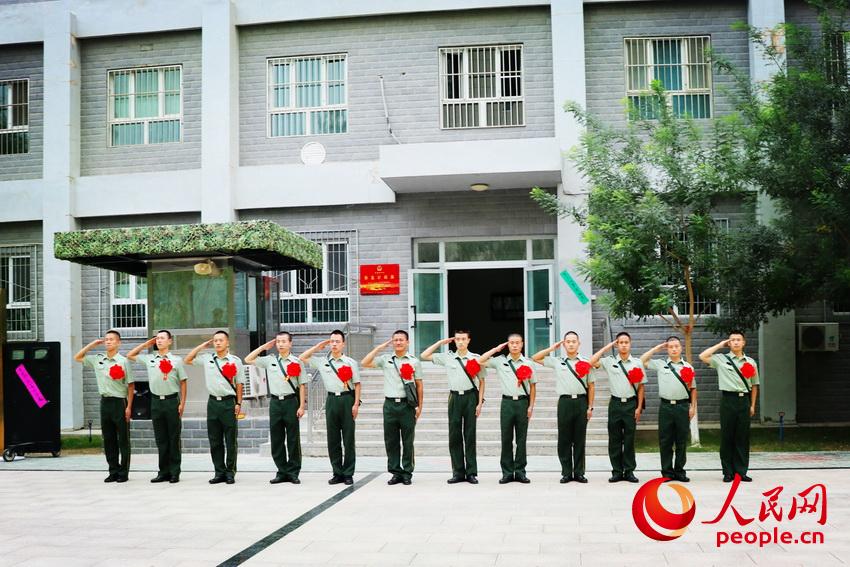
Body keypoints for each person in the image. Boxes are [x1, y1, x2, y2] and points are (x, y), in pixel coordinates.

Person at [420, 330, 486, 485]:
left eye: (463, 339)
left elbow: (482, 381)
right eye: (457, 339)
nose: (460, 342)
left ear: (469, 340)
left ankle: (471, 473)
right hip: (454, 398)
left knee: (470, 436)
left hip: (470, 398)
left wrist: (479, 403)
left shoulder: (476, 358)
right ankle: (458, 472)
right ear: (454, 341)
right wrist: (440, 343)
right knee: (454, 435)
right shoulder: (448, 357)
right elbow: (424, 355)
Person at [362, 330, 424, 486]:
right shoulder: (386, 360)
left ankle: (407, 472)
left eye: (401, 340)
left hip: (407, 405)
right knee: (391, 441)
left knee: (408, 441)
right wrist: (379, 348)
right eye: (395, 340)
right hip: (389, 405)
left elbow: (419, 385)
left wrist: (419, 406)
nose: (398, 342)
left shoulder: (414, 361)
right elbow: (365, 362)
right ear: (392, 342)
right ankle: (396, 472)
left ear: (407, 342)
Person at [532, 331, 595, 484]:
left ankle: (579, 473)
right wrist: (552, 348)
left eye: (574, 341)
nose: (571, 344)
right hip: (564, 403)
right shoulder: (557, 361)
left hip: (581, 402)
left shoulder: (586, 362)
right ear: (564, 344)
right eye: (568, 341)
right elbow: (535, 358)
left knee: (579, 439)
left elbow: (591, 386)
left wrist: (590, 407)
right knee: (564, 439)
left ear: (579, 344)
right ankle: (566, 472)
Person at [300, 330, 361, 486]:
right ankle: (337, 472)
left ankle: (348, 473)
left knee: (348, 439)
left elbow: (357, 384)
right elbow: (302, 358)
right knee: (333, 439)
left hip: (347, 400)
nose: (334, 344)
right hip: (331, 400)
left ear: (343, 344)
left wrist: (355, 404)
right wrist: (318, 347)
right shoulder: (323, 361)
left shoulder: (350, 362)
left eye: (337, 341)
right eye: (331, 341)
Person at [127, 330, 188, 483]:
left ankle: (174, 472)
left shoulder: (176, 360)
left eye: (162, 338)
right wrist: (146, 344)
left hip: (171, 401)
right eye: (157, 338)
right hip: (155, 402)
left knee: (173, 438)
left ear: (170, 341)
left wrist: (182, 403)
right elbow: (130, 355)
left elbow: (183, 382)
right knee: (161, 438)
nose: (159, 341)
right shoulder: (150, 359)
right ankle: (163, 472)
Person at [246, 332, 307, 484]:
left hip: (291, 402)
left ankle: (293, 472)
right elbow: (248, 359)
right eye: (278, 341)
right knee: (276, 439)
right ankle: (282, 471)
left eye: (284, 341)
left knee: (293, 439)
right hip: (275, 403)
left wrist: (301, 406)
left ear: (290, 343)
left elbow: (302, 385)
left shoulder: (297, 362)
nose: (280, 344)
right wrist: (263, 347)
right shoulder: (270, 360)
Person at [74, 330, 135, 483]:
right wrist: (92, 345)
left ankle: (123, 473)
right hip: (105, 402)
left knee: (123, 439)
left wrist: (129, 407)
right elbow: (77, 357)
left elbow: (130, 385)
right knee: (108, 439)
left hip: (120, 402)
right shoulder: (98, 359)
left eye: (111, 339)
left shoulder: (123, 361)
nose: (108, 342)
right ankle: (113, 471)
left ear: (118, 343)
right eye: (106, 339)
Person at [700, 330, 760, 483]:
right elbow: (703, 356)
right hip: (728, 400)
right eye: (732, 340)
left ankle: (741, 472)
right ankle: (728, 472)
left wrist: (752, 405)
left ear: (743, 342)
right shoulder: (721, 359)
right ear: (729, 343)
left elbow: (754, 385)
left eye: (738, 339)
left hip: (744, 401)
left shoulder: (751, 362)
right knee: (727, 437)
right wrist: (720, 345)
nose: (736, 342)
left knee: (742, 437)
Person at [185, 330, 244, 485]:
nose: (217, 343)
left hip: (229, 403)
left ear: (227, 343)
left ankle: (230, 472)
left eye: (220, 340)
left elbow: (239, 384)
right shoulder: (207, 359)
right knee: (215, 440)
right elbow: (188, 359)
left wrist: (239, 403)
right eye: (215, 340)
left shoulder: (235, 361)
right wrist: (202, 346)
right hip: (212, 404)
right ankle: (219, 472)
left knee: (230, 440)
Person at [478, 333, 537, 484]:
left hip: (523, 403)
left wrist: (531, 406)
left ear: (522, 344)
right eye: (512, 343)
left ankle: (520, 472)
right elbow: (480, 360)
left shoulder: (528, 363)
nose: (515, 345)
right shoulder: (500, 361)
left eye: (517, 342)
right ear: (508, 345)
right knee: (506, 439)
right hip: (507, 404)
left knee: (521, 440)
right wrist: (496, 349)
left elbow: (533, 386)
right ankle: (507, 473)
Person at [589, 331, 645, 483]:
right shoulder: (609, 361)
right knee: (614, 439)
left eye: (626, 342)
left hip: (631, 404)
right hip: (615, 404)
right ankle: (617, 471)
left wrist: (639, 407)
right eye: (621, 342)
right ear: (617, 344)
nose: (624, 345)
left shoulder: (637, 363)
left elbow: (641, 387)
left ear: (630, 344)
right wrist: (608, 347)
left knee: (629, 440)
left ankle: (629, 471)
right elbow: (591, 362)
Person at [640, 336, 698, 482]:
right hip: (665, 407)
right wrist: (657, 348)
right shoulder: (661, 364)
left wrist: (693, 407)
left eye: (676, 346)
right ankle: (667, 472)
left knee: (681, 441)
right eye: (670, 347)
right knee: (665, 441)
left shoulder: (688, 367)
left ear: (681, 347)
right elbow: (642, 360)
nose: (674, 349)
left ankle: (679, 471)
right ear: (667, 349)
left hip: (682, 407)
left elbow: (693, 389)